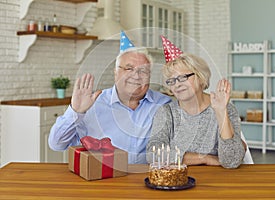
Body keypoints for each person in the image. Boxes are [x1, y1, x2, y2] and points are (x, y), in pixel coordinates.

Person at [48, 31, 171, 164]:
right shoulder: (92, 104)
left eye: (143, 71)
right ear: (116, 73)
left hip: (146, 180)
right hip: (101, 180)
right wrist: (76, 112)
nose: (136, 76)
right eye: (129, 69)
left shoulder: (164, 103)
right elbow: (57, 144)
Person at [146, 36, 246, 168]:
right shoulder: (167, 112)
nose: (177, 84)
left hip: (217, 182)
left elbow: (231, 161)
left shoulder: (225, 108)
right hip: (177, 181)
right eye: (172, 81)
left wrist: (221, 112)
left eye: (182, 77)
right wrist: (204, 158)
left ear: (200, 77)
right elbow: (153, 154)